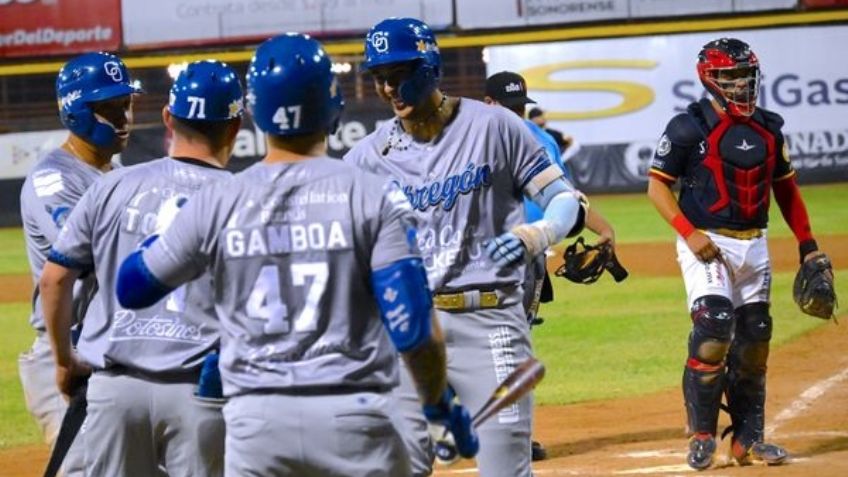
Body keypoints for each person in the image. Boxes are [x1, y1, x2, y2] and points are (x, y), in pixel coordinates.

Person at [113, 33, 478, 476]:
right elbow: (414, 328)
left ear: (255, 113)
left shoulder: (218, 202)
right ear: (334, 108)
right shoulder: (373, 195)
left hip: (257, 427)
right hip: (355, 417)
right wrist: (438, 404)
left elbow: (132, 288)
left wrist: (175, 233)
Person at [345, 18, 587, 477]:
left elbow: (562, 200)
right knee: (393, 468)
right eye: (380, 77)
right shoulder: (365, 158)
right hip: (406, 331)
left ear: (430, 67)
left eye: (399, 74)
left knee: (505, 467)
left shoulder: (495, 127)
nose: (389, 88)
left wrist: (536, 235)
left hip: (490, 322)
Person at [41, 59, 244, 476]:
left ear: (168, 117)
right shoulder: (246, 198)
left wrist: (64, 360)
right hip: (200, 394)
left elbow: (55, 278)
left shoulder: (115, 184)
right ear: (236, 127)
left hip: (114, 392)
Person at [647, 38, 827, 470]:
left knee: (755, 340)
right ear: (710, 79)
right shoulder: (688, 127)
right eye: (730, 77)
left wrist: (808, 245)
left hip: (755, 242)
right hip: (707, 241)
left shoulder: (769, 126)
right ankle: (703, 436)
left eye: (746, 75)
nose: (741, 84)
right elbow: (657, 187)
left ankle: (750, 441)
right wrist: (688, 233)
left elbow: (786, 189)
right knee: (713, 329)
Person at [483, 69, 617, 463]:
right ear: (488, 105)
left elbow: (566, 196)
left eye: (519, 107)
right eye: (507, 107)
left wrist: (603, 226)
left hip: (529, 257)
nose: (514, 113)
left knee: (514, 344)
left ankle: (513, 437)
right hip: (475, 258)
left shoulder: (540, 141)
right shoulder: (467, 142)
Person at [18, 51, 141, 477]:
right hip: (66, 355)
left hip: (108, 348)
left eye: (126, 103)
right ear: (75, 110)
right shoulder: (54, 179)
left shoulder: (115, 172)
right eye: (109, 108)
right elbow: (92, 255)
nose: (123, 116)